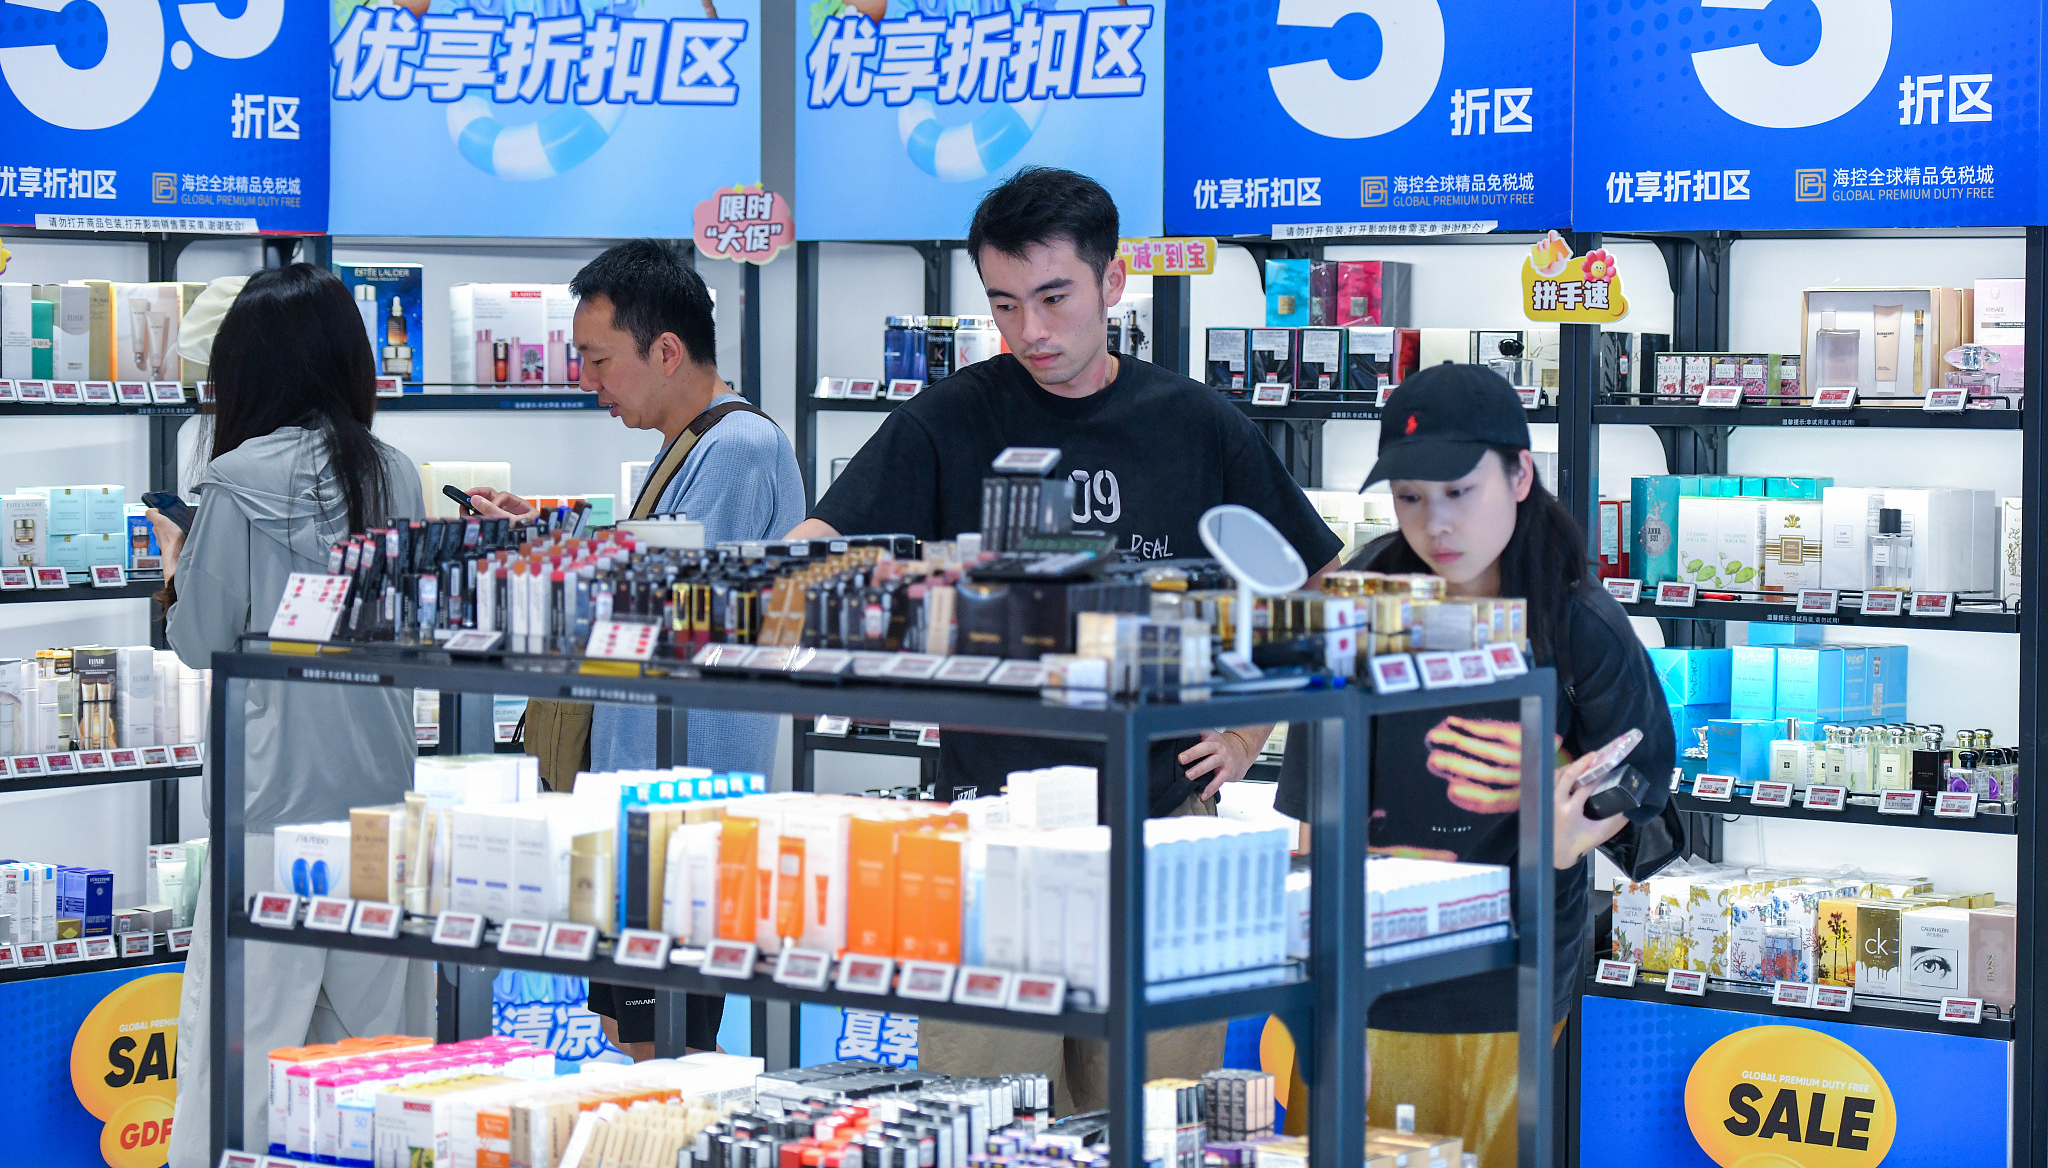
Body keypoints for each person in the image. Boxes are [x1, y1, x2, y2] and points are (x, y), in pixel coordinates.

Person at [789, 167, 1343, 1114]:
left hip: (1163, 829)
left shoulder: (1196, 423)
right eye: (1004, 304)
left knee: (1155, 1117)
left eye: (1054, 298)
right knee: (979, 1118)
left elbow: (1318, 585)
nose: (1030, 331)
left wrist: (1249, 731)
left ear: (1112, 281)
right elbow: (810, 558)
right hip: (994, 837)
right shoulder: (946, 420)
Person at [1276, 362, 1675, 1168]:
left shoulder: (1576, 619)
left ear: (1520, 474)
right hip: (1365, 963)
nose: (1436, 523)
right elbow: (1321, 802)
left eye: (1459, 490)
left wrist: (1573, 831)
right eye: (1411, 497)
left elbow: (1642, 775)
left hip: (1506, 970)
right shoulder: (1360, 603)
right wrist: (1321, 988)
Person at [466, 238, 805, 1058]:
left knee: (668, 1051)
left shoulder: (737, 447)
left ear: (667, 351)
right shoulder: (687, 445)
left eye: (598, 359)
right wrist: (549, 543)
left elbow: (671, 612)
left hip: (683, 814)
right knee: (631, 1035)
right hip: (642, 800)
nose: (589, 381)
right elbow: (649, 576)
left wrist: (557, 565)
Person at [155, 266, 433, 1168]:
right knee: (374, 1068)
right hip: (380, 816)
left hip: (268, 814)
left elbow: (203, 640)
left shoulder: (233, 482)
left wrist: (178, 569)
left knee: (240, 1069)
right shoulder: (396, 476)